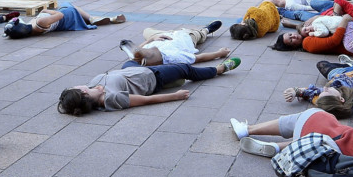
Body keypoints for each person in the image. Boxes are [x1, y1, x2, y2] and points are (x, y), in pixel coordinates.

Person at [58, 52, 239, 115]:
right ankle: (219, 69)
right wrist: (173, 96)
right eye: (79, 89)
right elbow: (145, 101)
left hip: (129, 70)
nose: (80, 85)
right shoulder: (111, 99)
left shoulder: (93, 87)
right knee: (184, 68)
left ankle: (146, 47)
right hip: (153, 77)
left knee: (135, 58)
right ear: (85, 96)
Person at [2, 3, 123, 38]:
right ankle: (92, 19)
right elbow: (59, 15)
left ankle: (92, 19)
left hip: (61, 24)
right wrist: (47, 11)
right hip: (64, 18)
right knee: (68, 6)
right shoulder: (39, 23)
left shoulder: (31, 29)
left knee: (76, 15)